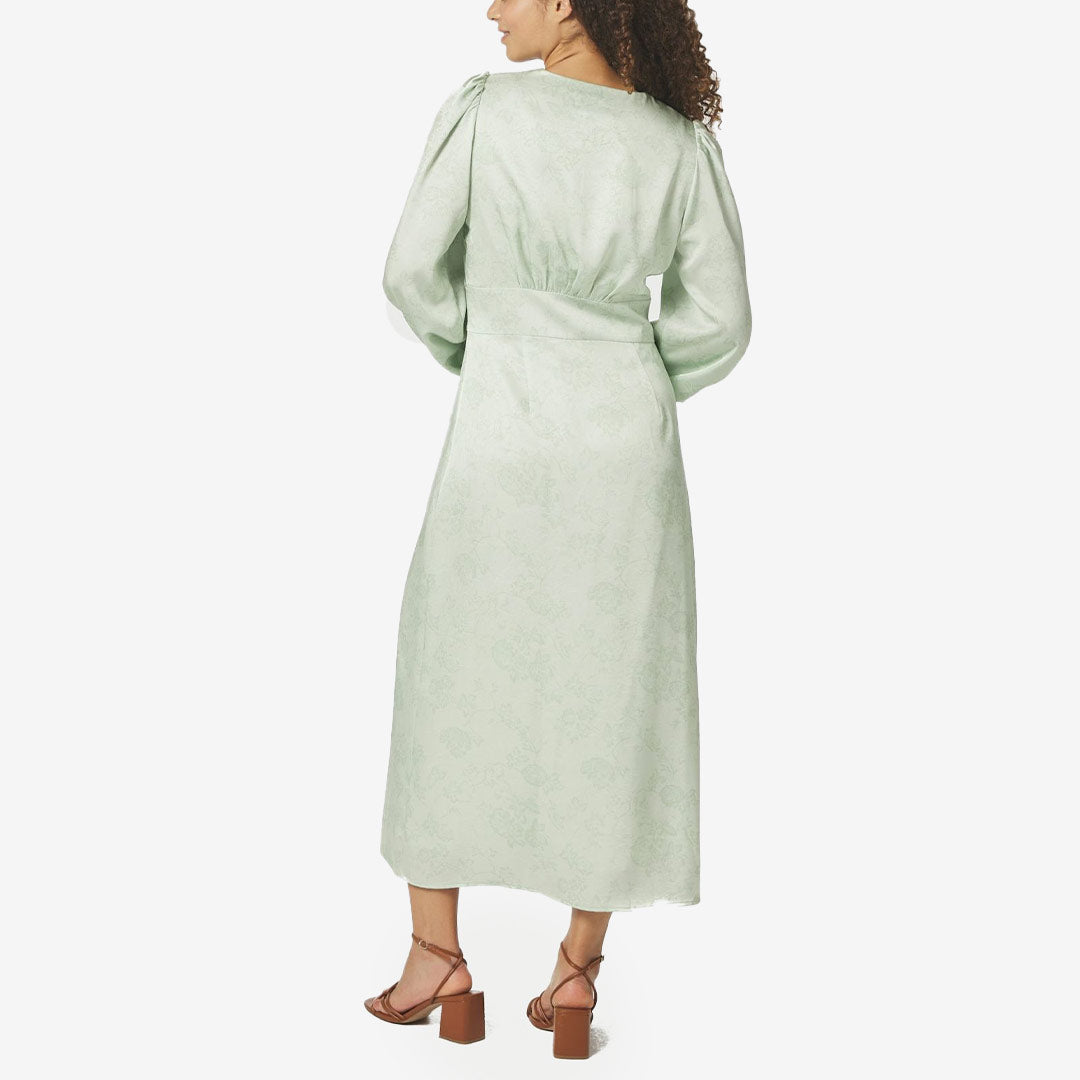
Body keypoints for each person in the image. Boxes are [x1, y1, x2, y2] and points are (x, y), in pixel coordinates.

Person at [365, 0, 752, 1058]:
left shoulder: (486, 114)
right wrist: (628, 372)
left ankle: (437, 960)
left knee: (451, 672)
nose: (492, 8)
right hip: (625, 452)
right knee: (610, 687)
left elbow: (409, 272)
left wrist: (489, 346)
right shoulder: (678, 145)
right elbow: (722, 321)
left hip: (503, 426)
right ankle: (575, 979)